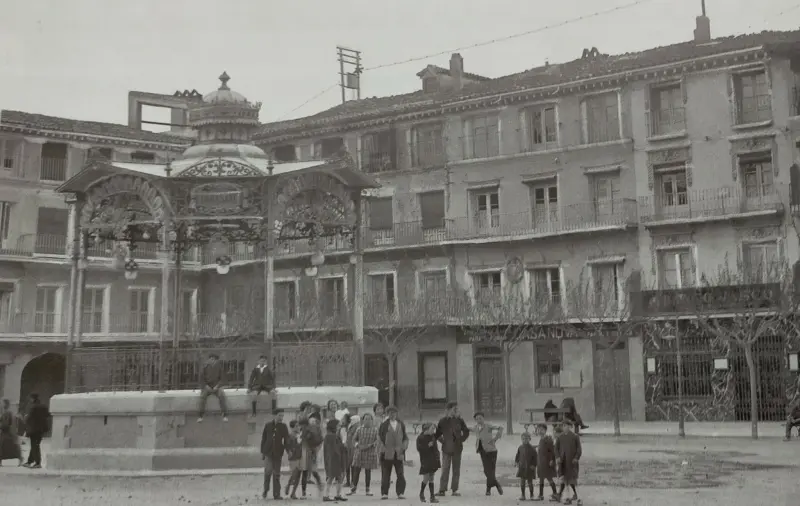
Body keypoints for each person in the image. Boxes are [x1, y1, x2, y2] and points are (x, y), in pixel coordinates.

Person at [435, 402, 470, 497]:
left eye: (456, 409)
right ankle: (442, 489)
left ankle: (454, 489)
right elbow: (437, 434)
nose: (456, 411)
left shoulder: (460, 420)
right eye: (454, 409)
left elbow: (466, 431)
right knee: (445, 469)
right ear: (448, 410)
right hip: (446, 449)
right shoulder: (442, 421)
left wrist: (461, 440)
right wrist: (443, 441)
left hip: (457, 449)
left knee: (456, 469)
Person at [377, 406, 408, 500]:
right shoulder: (384, 425)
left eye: (394, 412)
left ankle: (400, 492)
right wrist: (382, 450)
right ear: (387, 414)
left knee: (400, 474)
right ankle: (384, 493)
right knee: (386, 474)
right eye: (390, 413)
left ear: (396, 413)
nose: (392, 414)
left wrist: (403, 448)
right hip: (386, 453)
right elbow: (380, 438)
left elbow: (405, 438)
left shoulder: (401, 424)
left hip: (399, 452)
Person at [260, 409, 289, 499]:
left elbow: (286, 440)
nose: (281, 418)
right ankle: (265, 490)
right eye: (280, 415)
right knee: (268, 472)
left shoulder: (283, 427)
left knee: (277, 474)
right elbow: (263, 439)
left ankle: (276, 494)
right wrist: (262, 452)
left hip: (278, 453)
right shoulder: (268, 425)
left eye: (282, 416)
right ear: (274, 415)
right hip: (268, 452)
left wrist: (288, 451)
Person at [473, 411, 503, 496]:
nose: (479, 420)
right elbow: (467, 429)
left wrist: (495, 439)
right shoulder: (475, 427)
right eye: (477, 419)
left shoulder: (488, 426)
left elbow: (501, 427)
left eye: (480, 418)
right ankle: (496, 484)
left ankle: (488, 490)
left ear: (483, 418)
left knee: (491, 471)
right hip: (482, 451)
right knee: (486, 471)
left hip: (492, 451)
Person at [349, 413, 378, 497]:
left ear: (372, 421)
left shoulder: (375, 430)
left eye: (369, 419)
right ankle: (353, 489)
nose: (367, 421)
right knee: (356, 470)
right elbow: (354, 439)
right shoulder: (359, 429)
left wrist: (373, 445)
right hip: (359, 452)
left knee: (368, 471)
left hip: (370, 452)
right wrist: (358, 445)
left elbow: (377, 440)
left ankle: (367, 489)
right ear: (363, 420)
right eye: (366, 419)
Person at [555, 421, 582, 505]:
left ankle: (579, 499)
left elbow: (579, 449)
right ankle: (567, 498)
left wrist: (576, 458)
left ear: (570, 426)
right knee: (565, 481)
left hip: (572, 462)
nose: (564, 427)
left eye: (566, 425)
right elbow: (556, 448)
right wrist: (558, 457)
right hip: (563, 463)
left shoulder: (575, 437)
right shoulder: (560, 437)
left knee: (573, 481)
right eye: (563, 426)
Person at [322, 418, 348, 502]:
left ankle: (337, 494)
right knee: (332, 477)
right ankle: (326, 495)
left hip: (332, 458)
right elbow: (335, 449)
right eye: (338, 425)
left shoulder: (330, 436)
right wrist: (343, 447)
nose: (339, 427)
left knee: (338, 477)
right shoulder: (331, 436)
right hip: (334, 459)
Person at [197, 354, 228, 422]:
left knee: (221, 395)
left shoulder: (220, 368)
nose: (212, 361)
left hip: (216, 387)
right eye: (210, 359)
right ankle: (200, 415)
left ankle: (224, 414)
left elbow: (222, 379)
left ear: (216, 361)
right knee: (202, 397)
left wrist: (217, 386)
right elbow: (201, 379)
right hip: (207, 387)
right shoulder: (205, 367)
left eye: (213, 359)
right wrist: (206, 386)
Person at [416, 422, 440, 503]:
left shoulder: (432, 436)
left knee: (432, 478)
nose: (433, 430)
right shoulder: (420, 438)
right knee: (426, 478)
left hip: (433, 460)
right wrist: (427, 446)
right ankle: (421, 493)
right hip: (425, 460)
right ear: (427, 429)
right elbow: (419, 449)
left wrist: (437, 458)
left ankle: (432, 497)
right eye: (432, 429)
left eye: (434, 429)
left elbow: (436, 448)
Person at [23, 393, 49, 469]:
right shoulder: (43, 406)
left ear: (32, 399)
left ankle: (38, 463)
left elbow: (28, 418)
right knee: (35, 445)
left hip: (33, 429)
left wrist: (25, 418)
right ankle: (29, 461)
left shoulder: (33, 407)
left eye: (30, 399)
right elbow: (47, 415)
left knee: (35, 446)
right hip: (41, 430)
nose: (30, 400)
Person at [534, 423, 559, 501]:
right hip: (541, 462)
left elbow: (552, 451)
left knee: (549, 478)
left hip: (547, 462)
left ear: (545, 430)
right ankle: (541, 495)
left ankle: (555, 494)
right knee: (541, 479)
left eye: (542, 430)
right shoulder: (541, 439)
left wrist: (552, 460)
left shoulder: (548, 439)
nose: (540, 431)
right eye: (538, 430)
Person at [284, 420, 304, 499]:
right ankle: (288, 485)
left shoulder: (300, 435)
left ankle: (293, 493)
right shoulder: (290, 435)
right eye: (296, 426)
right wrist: (289, 451)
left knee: (298, 475)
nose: (298, 427)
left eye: (298, 426)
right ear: (292, 427)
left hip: (300, 456)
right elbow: (287, 445)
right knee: (294, 473)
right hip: (293, 457)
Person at [514, 432, 537, 501]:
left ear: (529, 439)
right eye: (523, 439)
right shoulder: (520, 447)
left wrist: (534, 465)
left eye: (526, 439)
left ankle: (531, 495)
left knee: (530, 482)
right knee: (522, 481)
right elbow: (517, 455)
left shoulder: (532, 449)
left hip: (530, 468)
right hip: (522, 467)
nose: (525, 440)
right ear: (521, 439)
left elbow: (536, 458)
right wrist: (516, 462)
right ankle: (523, 495)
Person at [0, 399, 23, 467]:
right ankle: (20, 459)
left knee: (5, 446)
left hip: (7, 433)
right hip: (7, 433)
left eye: (2, 403)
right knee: (9, 447)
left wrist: (1, 426)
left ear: (5, 404)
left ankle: (20, 459)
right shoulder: (6, 412)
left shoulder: (7, 413)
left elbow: (6, 424)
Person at [345, 414, 361, 490]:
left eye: (352, 419)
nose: (351, 421)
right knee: (348, 465)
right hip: (348, 447)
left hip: (353, 448)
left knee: (353, 466)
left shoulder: (357, 427)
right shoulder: (350, 426)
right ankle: (348, 481)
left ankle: (352, 482)